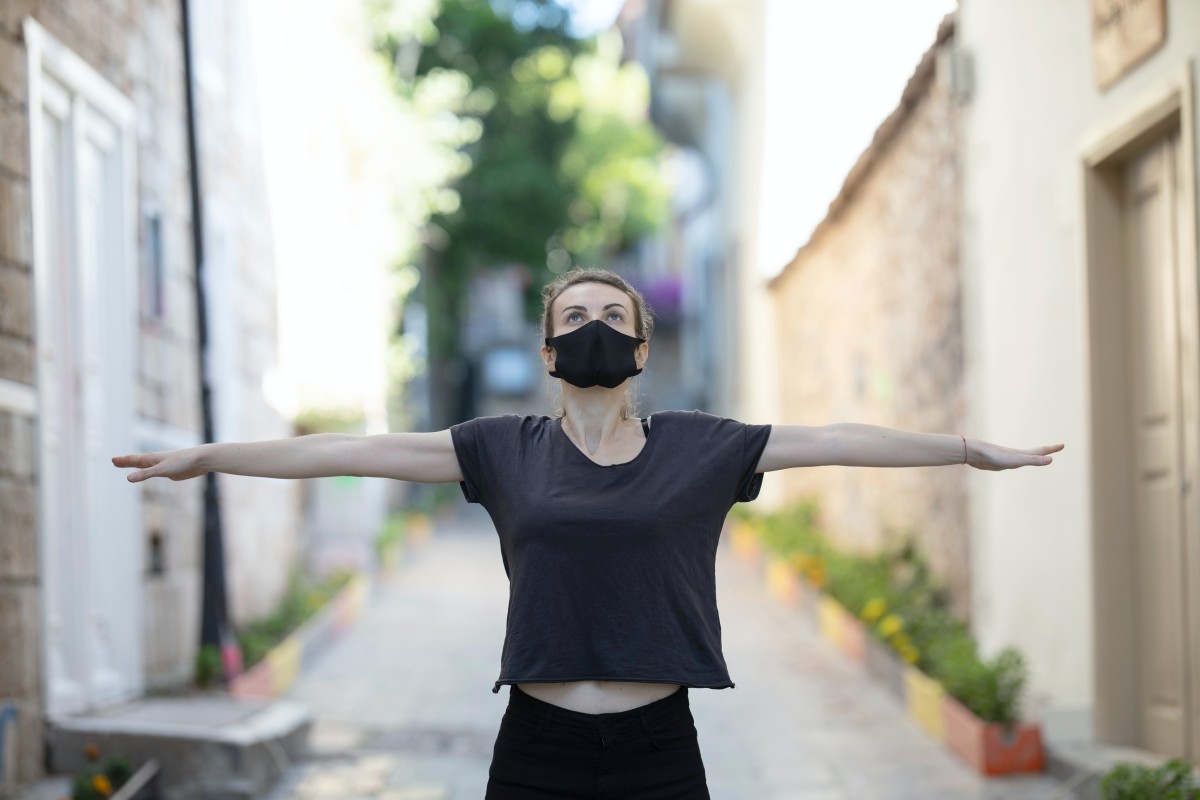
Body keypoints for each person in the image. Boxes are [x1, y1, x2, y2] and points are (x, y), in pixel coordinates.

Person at [112, 267, 1064, 798]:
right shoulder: (501, 450)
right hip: (537, 753)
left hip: (659, 752)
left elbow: (838, 439)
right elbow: (355, 450)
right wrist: (211, 457)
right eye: (577, 317)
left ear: (642, 348)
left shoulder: (703, 449)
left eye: (615, 316)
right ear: (550, 350)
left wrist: (970, 448)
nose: (596, 328)